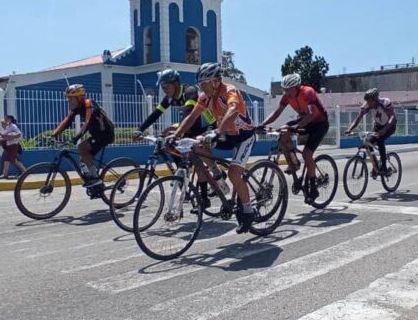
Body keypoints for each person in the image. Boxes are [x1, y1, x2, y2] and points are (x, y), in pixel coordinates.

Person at [172, 62, 256, 234]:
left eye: (204, 83)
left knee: (234, 173)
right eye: (200, 84)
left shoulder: (230, 91)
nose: (201, 87)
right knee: (198, 144)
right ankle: (216, 172)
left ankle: (248, 211)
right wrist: (177, 134)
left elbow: (232, 110)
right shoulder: (205, 97)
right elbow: (192, 116)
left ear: (216, 81)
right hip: (226, 135)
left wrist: (217, 131)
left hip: (243, 137)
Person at [132, 68, 221, 206]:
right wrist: (140, 129)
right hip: (190, 127)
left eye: (165, 87)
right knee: (169, 144)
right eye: (162, 88)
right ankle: (183, 172)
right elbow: (155, 114)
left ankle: (210, 184)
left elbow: (188, 114)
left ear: (175, 84)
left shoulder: (189, 92)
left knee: (197, 159)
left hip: (207, 126)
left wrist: (177, 131)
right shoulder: (170, 98)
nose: (164, 90)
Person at [258, 73, 329, 202]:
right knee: (283, 131)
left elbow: (312, 114)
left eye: (289, 89)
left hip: (319, 123)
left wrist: (296, 127)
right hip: (304, 121)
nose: (286, 92)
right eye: (284, 89)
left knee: (307, 154)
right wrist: (262, 124)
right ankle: (294, 164)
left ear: (297, 86)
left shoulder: (308, 92)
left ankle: (313, 187)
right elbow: (277, 112)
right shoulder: (286, 97)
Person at [51, 84, 115, 187]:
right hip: (96, 134)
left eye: (71, 98)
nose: (69, 101)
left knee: (82, 147)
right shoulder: (76, 107)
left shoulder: (88, 103)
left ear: (79, 97)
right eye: (68, 98)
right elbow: (66, 121)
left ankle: (94, 178)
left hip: (105, 134)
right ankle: (94, 184)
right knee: (83, 158)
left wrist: (78, 136)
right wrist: (53, 134)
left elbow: (87, 121)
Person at [345, 88, 397, 177]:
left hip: (390, 125)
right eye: (367, 101)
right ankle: (376, 165)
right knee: (368, 143)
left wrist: (384, 130)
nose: (368, 103)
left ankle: (384, 167)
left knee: (380, 140)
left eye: (370, 101)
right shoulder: (366, 106)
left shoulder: (385, 103)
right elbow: (358, 119)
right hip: (377, 126)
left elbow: (393, 118)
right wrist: (350, 129)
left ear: (376, 99)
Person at [0, 115, 26, 179]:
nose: (2, 124)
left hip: (13, 145)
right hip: (9, 146)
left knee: (9, 160)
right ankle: (5, 174)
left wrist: (10, 137)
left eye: (6, 119)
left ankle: (24, 172)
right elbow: (5, 136)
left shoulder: (13, 126)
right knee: (10, 160)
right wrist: (1, 135)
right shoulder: (8, 127)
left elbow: (19, 134)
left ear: (10, 119)